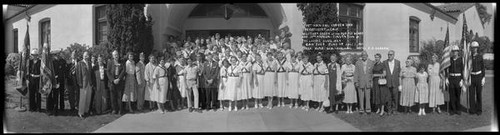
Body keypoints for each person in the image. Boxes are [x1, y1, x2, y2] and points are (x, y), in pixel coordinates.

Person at [469, 41, 485, 115]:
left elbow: (483, 68)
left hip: (478, 76)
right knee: (471, 94)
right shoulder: (469, 57)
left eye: (475, 47)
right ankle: (472, 110)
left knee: (479, 94)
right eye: (473, 48)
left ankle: (479, 110)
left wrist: (483, 78)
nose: (474, 49)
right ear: (471, 48)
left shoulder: (480, 56)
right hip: (471, 77)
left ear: (477, 48)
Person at [107, 50, 126, 115]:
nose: (116, 56)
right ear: (112, 56)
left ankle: (120, 110)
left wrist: (119, 79)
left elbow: (124, 70)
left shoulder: (122, 62)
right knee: (113, 97)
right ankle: (114, 109)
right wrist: (113, 80)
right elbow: (108, 72)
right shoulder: (110, 62)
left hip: (119, 82)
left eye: (117, 54)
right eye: (115, 55)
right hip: (112, 83)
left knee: (119, 96)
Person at [76, 51, 93, 118]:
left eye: (87, 55)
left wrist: (91, 83)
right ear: (83, 56)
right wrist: (80, 83)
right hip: (83, 83)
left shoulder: (89, 63)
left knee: (88, 98)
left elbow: (91, 74)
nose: (86, 56)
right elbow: (78, 74)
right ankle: (80, 112)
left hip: (89, 83)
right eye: (85, 55)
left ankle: (86, 111)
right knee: (82, 98)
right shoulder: (80, 63)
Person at [447, 45, 464, 115]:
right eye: (453, 51)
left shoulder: (460, 60)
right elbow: (446, 69)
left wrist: (462, 80)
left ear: (458, 52)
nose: (454, 53)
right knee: (452, 95)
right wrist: (446, 78)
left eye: (456, 51)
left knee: (458, 95)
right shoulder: (449, 60)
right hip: (451, 78)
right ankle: (452, 110)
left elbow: (463, 70)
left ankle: (458, 109)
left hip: (458, 78)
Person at [383, 50, 401, 115]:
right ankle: (389, 110)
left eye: (391, 54)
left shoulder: (398, 62)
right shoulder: (385, 62)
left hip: (395, 83)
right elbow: (384, 71)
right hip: (388, 83)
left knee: (395, 97)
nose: (389, 56)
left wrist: (400, 84)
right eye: (388, 54)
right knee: (388, 97)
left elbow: (399, 73)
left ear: (394, 55)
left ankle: (395, 110)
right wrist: (383, 75)